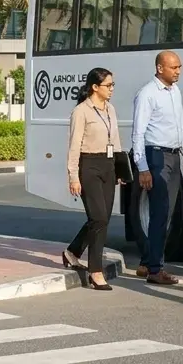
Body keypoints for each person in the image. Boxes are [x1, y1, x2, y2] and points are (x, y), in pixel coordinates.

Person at [130, 50, 183, 285]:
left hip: (173, 155)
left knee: (166, 213)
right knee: (160, 213)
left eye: (179, 67)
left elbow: (180, 125)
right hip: (155, 156)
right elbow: (138, 133)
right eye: (173, 67)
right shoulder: (147, 94)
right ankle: (155, 270)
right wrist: (143, 168)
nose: (178, 71)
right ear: (160, 68)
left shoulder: (174, 91)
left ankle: (147, 262)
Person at [62, 67, 120, 290]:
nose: (112, 89)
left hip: (108, 165)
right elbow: (74, 145)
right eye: (108, 85)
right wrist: (73, 176)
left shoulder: (110, 109)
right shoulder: (81, 111)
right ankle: (95, 270)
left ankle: (72, 252)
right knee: (99, 219)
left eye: (113, 85)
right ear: (95, 87)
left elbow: (115, 140)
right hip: (88, 166)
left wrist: (120, 169)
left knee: (102, 217)